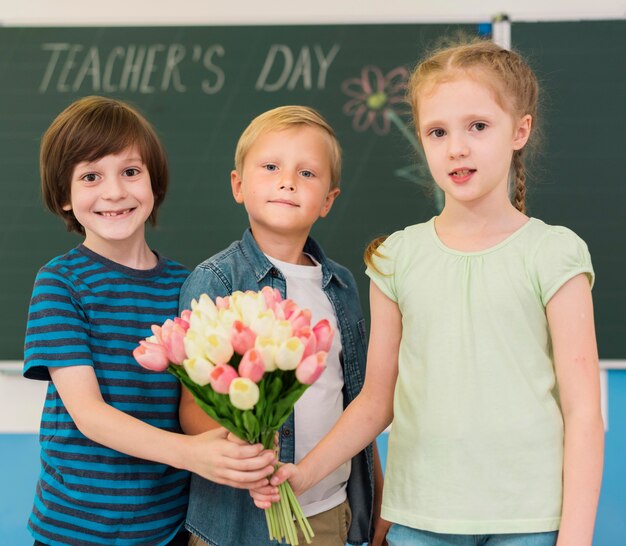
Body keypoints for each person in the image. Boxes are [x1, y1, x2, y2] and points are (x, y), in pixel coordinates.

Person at [252, 41, 604, 546]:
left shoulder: (553, 253)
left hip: (530, 520)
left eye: (478, 127)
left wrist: (575, 539)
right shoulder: (396, 258)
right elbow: (376, 401)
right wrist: (303, 474)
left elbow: (584, 413)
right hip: (419, 520)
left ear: (519, 131)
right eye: (437, 132)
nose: (456, 148)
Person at [23, 96, 276, 546]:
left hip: (168, 527)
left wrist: (242, 443)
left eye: (131, 172)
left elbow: (200, 400)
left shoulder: (190, 285)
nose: (114, 192)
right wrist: (193, 454)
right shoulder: (59, 283)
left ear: (154, 184)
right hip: (75, 529)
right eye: (90, 176)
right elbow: (90, 416)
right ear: (64, 196)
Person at [178, 105, 388, 546]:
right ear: (238, 185)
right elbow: (193, 410)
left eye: (308, 174)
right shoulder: (216, 282)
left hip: (328, 511)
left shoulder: (342, 286)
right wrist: (250, 446)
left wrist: (380, 499)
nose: (287, 181)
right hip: (239, 522)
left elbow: (358, 401)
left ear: (329, 200)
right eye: (271, 166)